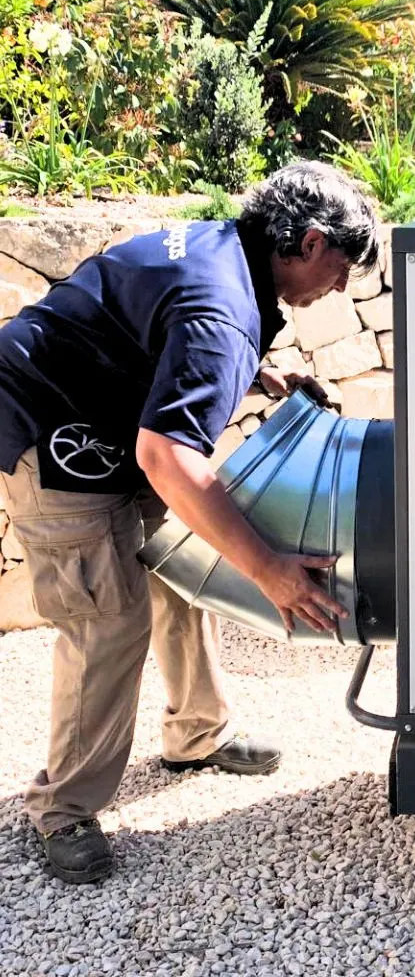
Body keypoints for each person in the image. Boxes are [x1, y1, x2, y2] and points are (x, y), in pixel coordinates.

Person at [0, 160, 379, 884]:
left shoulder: (225, 251)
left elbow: (156, 327)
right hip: (52, 429)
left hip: (110, 419)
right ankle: (63, 807)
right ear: (308, 241)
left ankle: (197, 734)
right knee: (106, 615)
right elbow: (168, 456)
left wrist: (258, 374)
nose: (339, 287)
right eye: (340, 268)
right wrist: (269, 569)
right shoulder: (222, 311)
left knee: (179, 568)